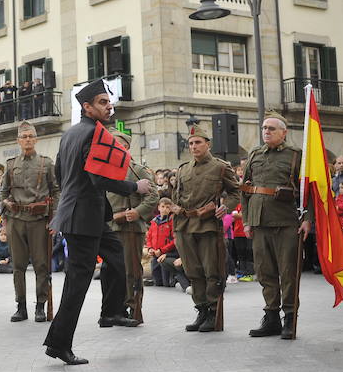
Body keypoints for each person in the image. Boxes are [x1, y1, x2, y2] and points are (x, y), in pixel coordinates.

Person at [43, 79, 154, 365]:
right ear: (87, 106)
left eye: (109, 101)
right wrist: (134, 188)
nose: (109, 106)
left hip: (84, 213)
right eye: (103, 102)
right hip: (82, 217)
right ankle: (59, 344)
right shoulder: (94, 133)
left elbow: (59, 171)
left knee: (116, 258)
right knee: (77, 284)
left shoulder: (71, 134)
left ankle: (111, 311)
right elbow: (97, 177)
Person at [240, 112, 311, 339]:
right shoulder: (255, 154)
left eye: (271, 128)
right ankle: (271, 317)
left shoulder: (295, 155)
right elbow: (246, 190)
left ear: (284, 132)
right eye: (264, 128)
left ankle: (290, 317)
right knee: (265, 272)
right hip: (259, 222)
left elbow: (309, 189)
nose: (266, 132)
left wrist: (308, 218)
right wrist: (247, 220)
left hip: (287, 221)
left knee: (288, 273)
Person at [171, 123, 240, 333]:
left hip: (208, 225)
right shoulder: (183, 169)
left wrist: (225, 207)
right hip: (184, 224)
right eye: (191, 143)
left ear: (207, 144)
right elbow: (177, 197)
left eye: (198, 142)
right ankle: (201, 309)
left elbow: (236, 192)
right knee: (193, 271)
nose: (193, 146)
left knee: (212, 271)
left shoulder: (220, 167)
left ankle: (212, 311)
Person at [0, 121, 61, 322]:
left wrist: (55, 218)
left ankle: (40, 306)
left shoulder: (46, 163)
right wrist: (5, 206)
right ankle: (21, 306)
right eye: (23, 137)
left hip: (38, 221)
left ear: (35, 139)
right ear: (18, 140)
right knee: (17, 265)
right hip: (16, 220)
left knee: (41, 264)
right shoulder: (10, 164)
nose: (27, 140)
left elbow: (55, 191)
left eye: (30, 136)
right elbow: (3, 191)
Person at [107, 130, 158, 323]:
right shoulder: (105, 169)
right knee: (112, 270)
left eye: (115, 143)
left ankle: (133, 307)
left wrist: (137, 212)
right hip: (110, 227)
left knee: (131, 270)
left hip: (130, 228)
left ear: (125, 147)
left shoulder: (137, 170)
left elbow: (153, 196)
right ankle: (117, 307)